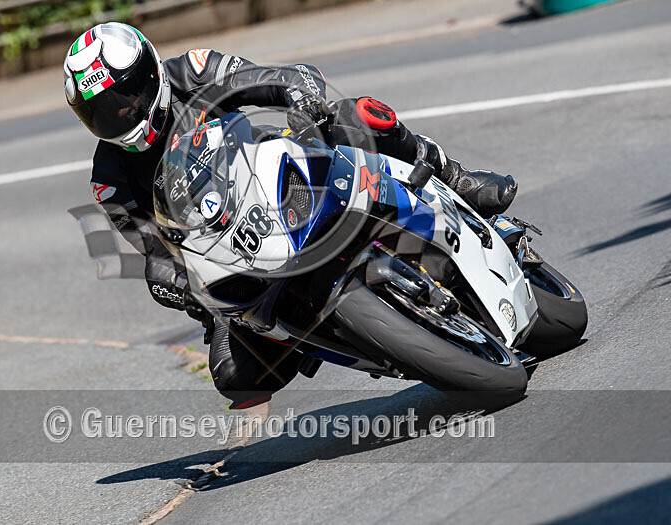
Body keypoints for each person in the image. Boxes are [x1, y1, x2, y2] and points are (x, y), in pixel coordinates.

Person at [64, 22, 518, 408]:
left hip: (284, 177)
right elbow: (152, 248)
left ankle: (454, 178)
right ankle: (343, 335)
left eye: (124, 98)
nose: (121, 115)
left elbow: (264, 79)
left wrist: (296, 90)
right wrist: (172, 281)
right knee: (234, 376)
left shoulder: (193, 70)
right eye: (101, 113)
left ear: (150, 74)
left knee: (356, 114)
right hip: (233, 255)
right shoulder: (110, 179)